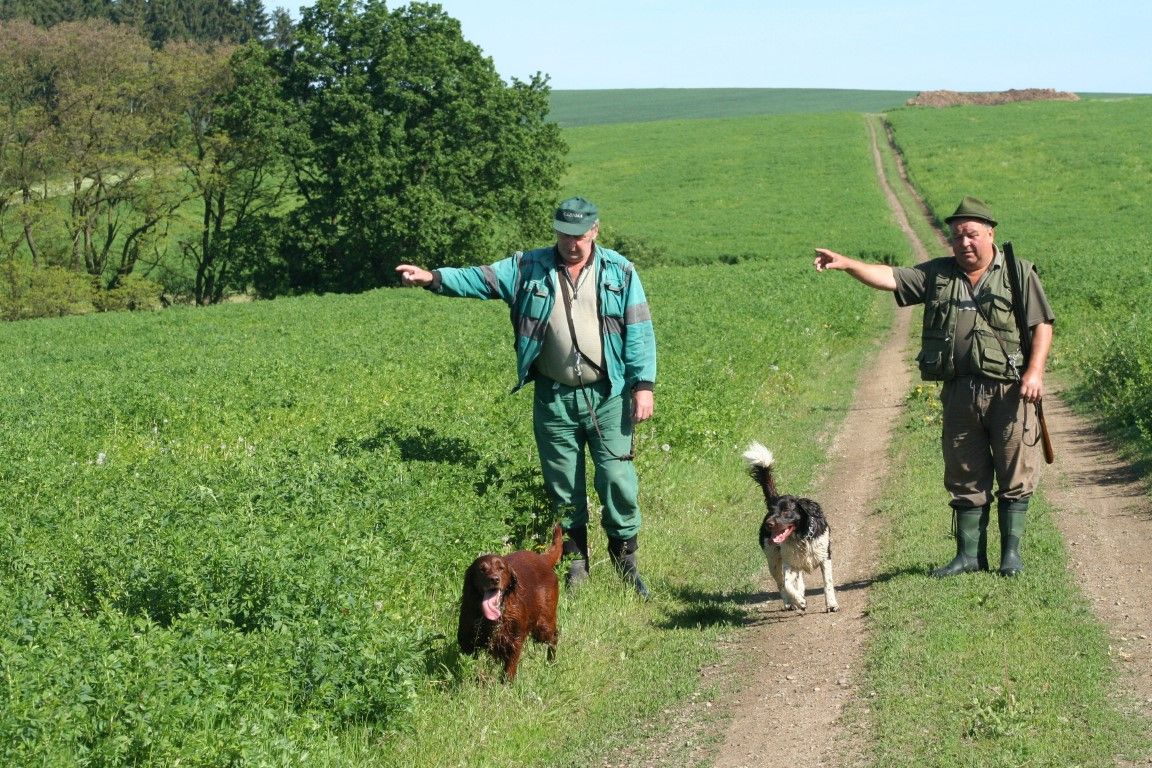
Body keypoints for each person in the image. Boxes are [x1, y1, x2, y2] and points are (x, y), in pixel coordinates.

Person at [395, 197, 657, 598]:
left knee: (617, 478)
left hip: (608, 395)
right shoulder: (526, 267)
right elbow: (479, 279)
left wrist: (643, 387)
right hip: (553, 396)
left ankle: (625, 560)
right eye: (564, 234)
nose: (571, 243)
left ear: (595, 231)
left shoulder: (620, 271)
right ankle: (576, 564)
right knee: (563, 485)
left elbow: (638, 329)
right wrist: (433, 277)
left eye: (580, 235)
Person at [813, 196, 1054, 577]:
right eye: (957, 237)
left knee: (1014, 472)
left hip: (1009, 391)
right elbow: (890, 277)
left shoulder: (1018, 272)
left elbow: (1042, 324)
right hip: (958, 392)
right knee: (964, 472)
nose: (964, 243)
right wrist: (846, 264)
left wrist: (1035, 372)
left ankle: (1011, 557)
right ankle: (969, 557)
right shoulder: (938, 274)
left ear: (990, 233)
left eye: (971, 234)